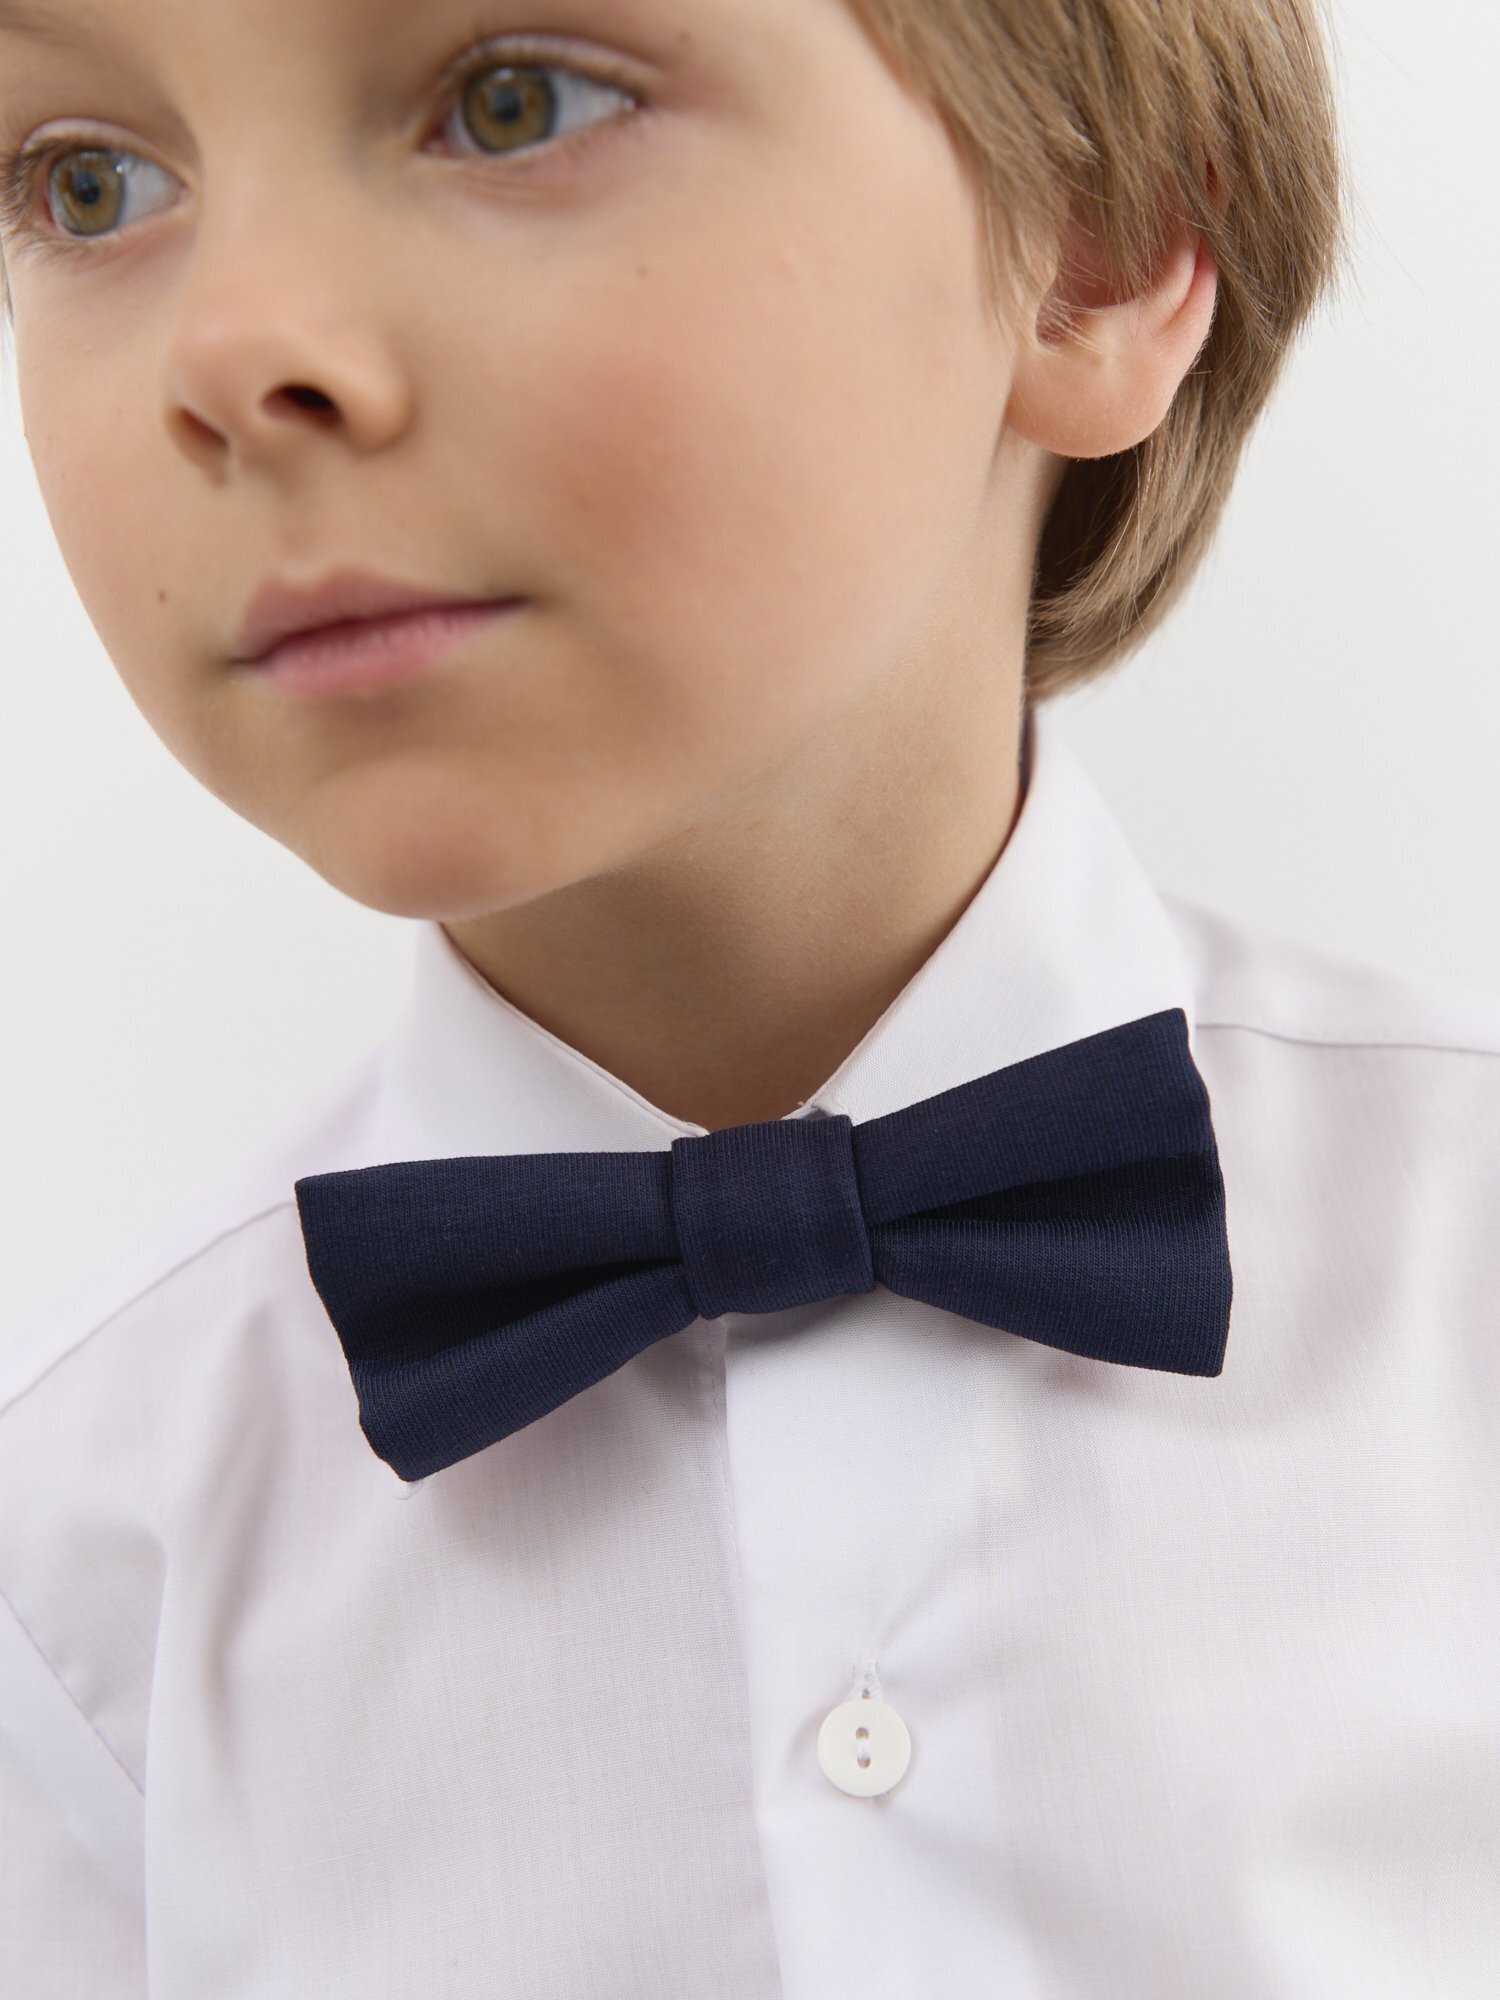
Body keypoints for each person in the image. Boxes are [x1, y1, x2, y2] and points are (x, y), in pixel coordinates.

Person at [2, 0, 1495, 1992]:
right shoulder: (61, 1585)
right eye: (88, 183)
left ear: (1101, 247)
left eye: (513, 103)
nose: (233, 351)